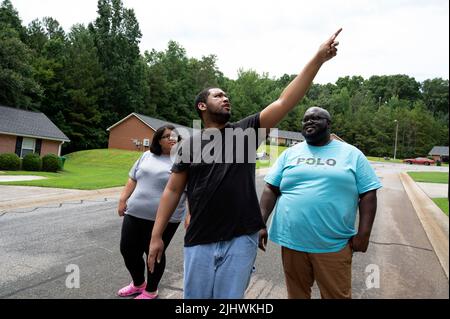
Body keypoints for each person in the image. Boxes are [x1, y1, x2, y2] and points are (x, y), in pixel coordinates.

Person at [148, 29, 343, 299]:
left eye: (227, 95)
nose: (225, 98)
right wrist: (156, 236)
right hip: (199, 239)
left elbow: (285, 100)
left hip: (241, 239)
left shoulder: (245, 134)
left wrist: (318, 59)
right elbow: (172, 191)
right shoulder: (187, 145)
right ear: (202, 107)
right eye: (218, 95)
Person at [259, 106, 382, 299]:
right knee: (297, 294)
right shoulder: (290, 153)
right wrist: (260, 222)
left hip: (333, 244)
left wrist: (364, 234)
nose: (309, 121)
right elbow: (270, 188)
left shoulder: (352, 154)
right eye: (306, 119)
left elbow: (368, 193)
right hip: (292, 241)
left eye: (316, 118)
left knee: (336, 295)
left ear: (328, 124)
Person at [117, 125, 186, 299]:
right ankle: (138, 284)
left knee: (154, 253)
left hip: (166, 218)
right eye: (167, 136)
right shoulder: (146, 155)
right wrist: (123, 199)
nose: (172, 139)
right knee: (128, 250)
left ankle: (151, 291)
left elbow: (189, 190)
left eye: (175, 136)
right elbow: (133, 178)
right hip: (134, 212)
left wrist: (190, 214)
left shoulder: (183, 160)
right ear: (158, 140)